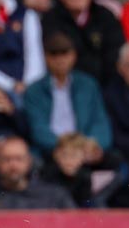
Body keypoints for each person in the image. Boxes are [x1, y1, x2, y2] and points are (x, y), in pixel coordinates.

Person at [23, 32, 113, 165]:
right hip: (50, 150)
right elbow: (38, 129)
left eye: (64, 53)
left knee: (114, 161)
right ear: (46, 57)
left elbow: (100, 122)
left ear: (74, 55)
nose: (60, 59)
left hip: (84, 148)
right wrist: (65, 146)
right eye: (54, 54)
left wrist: (92, 143)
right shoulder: (34, 91)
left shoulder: (88, 85)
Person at [41, 0, 124, 86]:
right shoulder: (50, 19)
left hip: (103, 86)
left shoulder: (105, 16)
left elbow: (115, 56)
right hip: (64, 86)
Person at [0, 136, 75, 210]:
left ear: (29, 161)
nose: (13, 165)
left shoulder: (55, 195)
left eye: (19, 159)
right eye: (6, 159)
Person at [40, 132, 97, 208]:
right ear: (56, 154)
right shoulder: (47, 173)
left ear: (83, 156)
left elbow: (86, 202)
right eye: (64, 154)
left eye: (74, 155)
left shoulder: (85, 176)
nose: (68, 160)